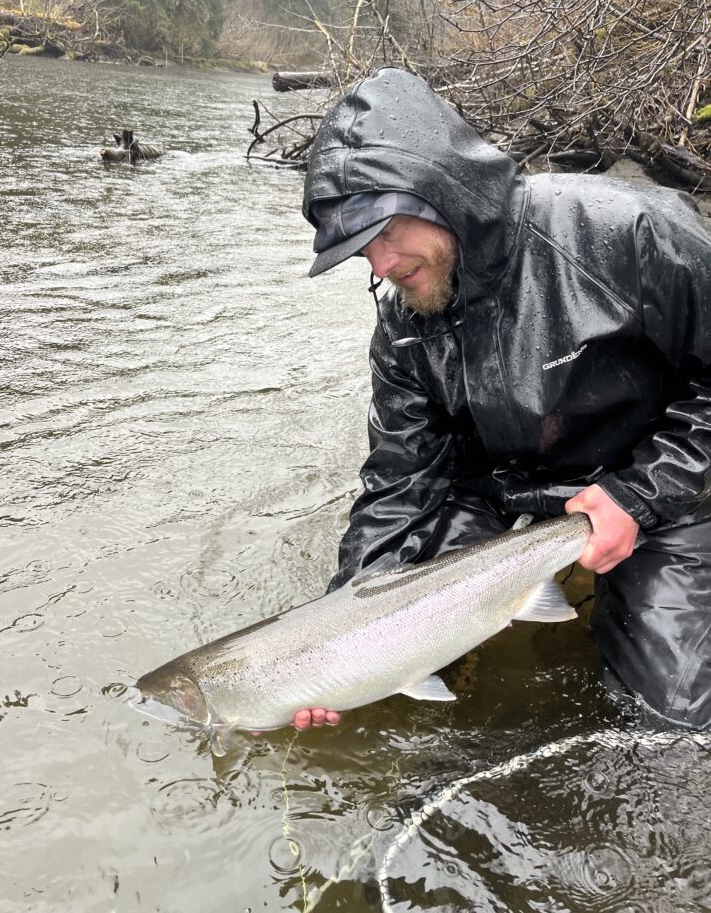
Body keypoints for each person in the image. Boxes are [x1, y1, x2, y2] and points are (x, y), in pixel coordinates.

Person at [292, 65, 711, 732]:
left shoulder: (632, 233)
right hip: (501, 494)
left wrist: (641, 493)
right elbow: (402, 483)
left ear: (440, 193)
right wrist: (338, 633)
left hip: (660, 485)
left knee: (672, 723)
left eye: (387, 232)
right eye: (360, 251)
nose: (382, 266)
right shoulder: (405, 323)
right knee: (395, 704)